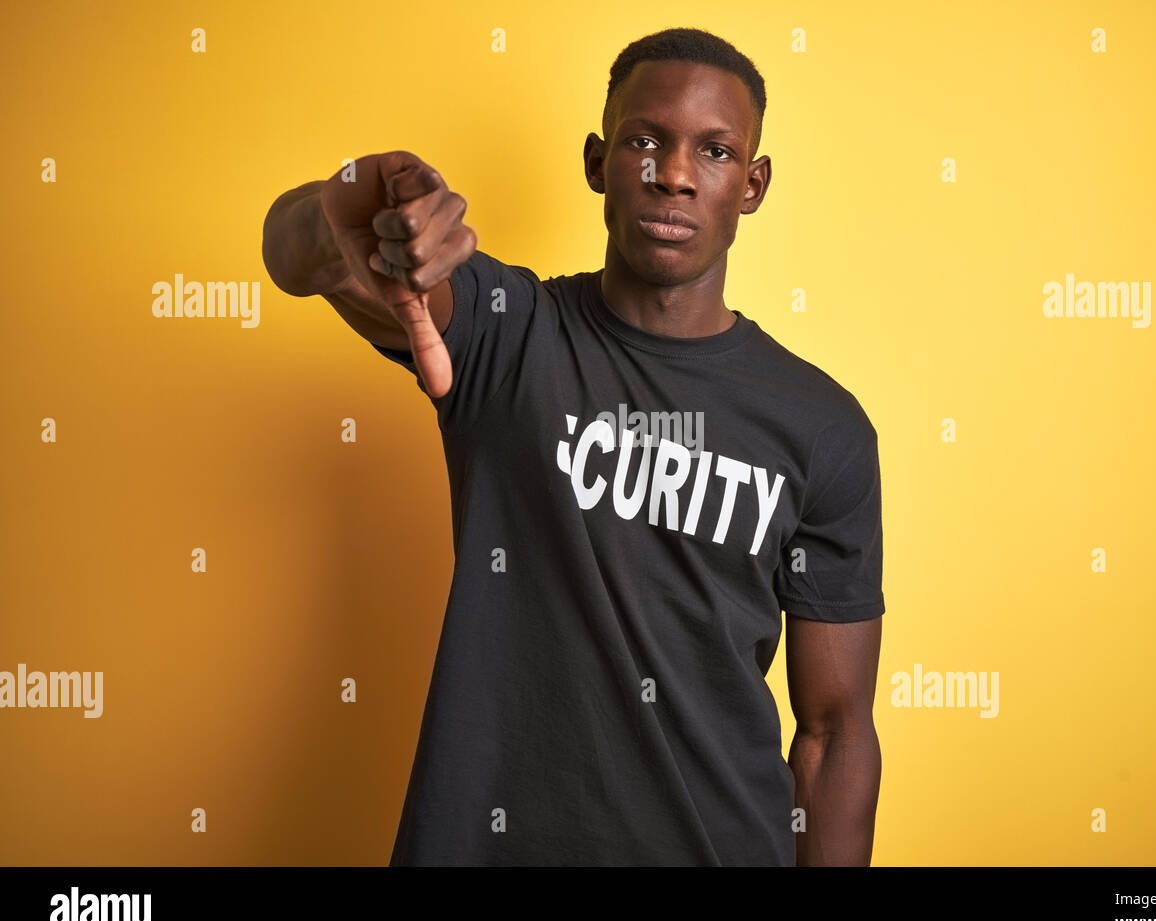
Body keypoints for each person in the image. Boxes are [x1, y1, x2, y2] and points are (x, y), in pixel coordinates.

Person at [261, 27, 886, 866]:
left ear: (753, 184)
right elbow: (292, 250)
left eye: (715, 150)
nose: (673, 173)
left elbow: (835, 733)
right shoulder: (506, 333)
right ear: (597, 162)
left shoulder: (822, 427)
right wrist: (360, 199)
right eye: (644, 140)